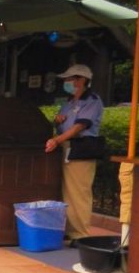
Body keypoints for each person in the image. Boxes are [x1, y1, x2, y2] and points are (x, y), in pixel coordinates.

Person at [45, 64, 104, 243]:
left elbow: (79, 127)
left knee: (78, 192)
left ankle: (80, 234)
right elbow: (62, 124)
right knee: (65, 190)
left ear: (82, 80)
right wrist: (57, 121)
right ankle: (69, 230)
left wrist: (57, 140)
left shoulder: (92, 101)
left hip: (81, 148)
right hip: (66, 147)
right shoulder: (69, 102)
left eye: (70, 79)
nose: (67, 82)